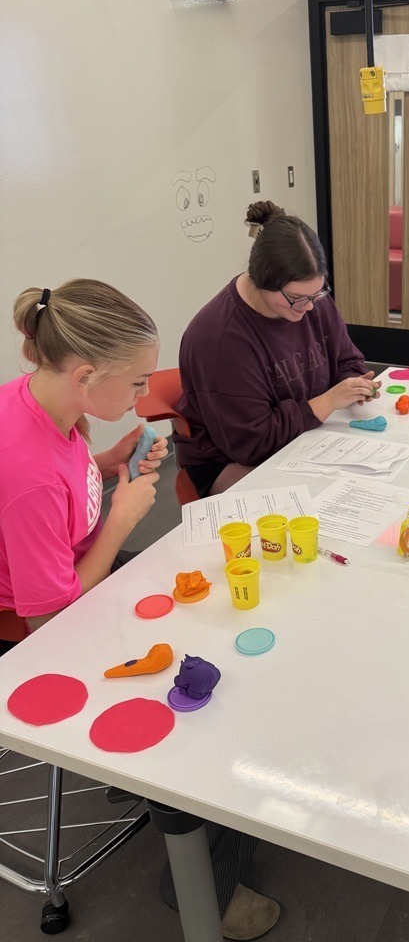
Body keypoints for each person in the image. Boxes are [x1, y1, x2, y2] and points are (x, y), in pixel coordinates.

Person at [176, 200, 380, 497]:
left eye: (318, 292)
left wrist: (354, 384)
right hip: (232, 460)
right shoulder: (219, 339)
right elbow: (252, 444)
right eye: (298, 298)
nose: (309, 307)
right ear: (261, 280)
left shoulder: (310, 301)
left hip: (304, 436)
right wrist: (327, 402)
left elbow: (347, 359)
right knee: (325, 505)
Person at [0, 280, 167, 633]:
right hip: (54, 619)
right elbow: (49, 618)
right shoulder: (32, 480)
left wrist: (108, 463)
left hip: (82, 571)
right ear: (86, 377)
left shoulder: (35, 397)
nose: (146, 392)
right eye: (138, 382)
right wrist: (122, 518)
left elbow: (61, 485)